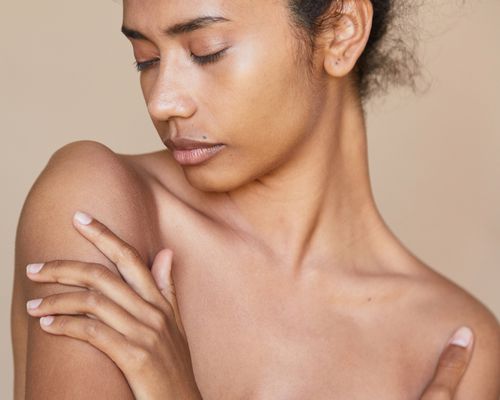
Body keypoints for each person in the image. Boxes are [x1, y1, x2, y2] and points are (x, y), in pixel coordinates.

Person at [11, 0, 500, 399]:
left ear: (342, 30)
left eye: (207, 51)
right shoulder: (100, 206)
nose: (163, 101)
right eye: (146, 59)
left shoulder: (456, 345)